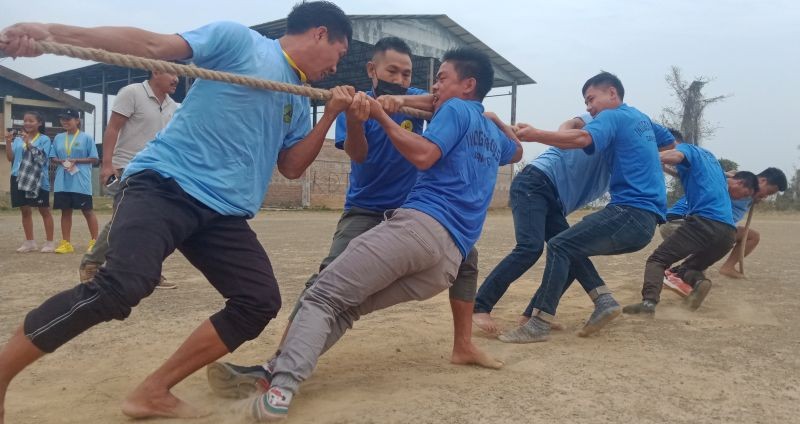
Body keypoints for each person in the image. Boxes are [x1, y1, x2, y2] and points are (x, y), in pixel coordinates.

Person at [0, 2, 355, 421]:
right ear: (320, 34)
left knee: (257, 301)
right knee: (122, 286)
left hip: (222, 213)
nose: (337, 68)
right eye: (341, 53)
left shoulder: (297, 99)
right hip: (165, 185)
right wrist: (49, 32)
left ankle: (153, 390)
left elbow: (292, 168)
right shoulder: (242, 42)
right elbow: (151, 44)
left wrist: (329, 115)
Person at [206, 38, 502, 401]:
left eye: (406, 73)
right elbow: (359, 155)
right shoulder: (355, 102)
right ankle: (277, 364)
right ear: (372, 70)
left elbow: (439, 103)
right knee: (329, 279)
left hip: (415, 209)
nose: (400, 77)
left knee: (467, 260)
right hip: (367, 207)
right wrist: (357, 115)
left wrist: (401, 101)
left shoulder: (426, 98)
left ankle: (463, 345)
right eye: (392, 71)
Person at [499, 71, 673, 343]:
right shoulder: (642, 119)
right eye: (586, 102)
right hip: (645, 222)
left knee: (558, 245)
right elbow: (670, 143)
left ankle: (538, 325)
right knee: (570, 246)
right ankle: (603, 300)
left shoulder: (612, 116)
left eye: (591, 99)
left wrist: (535, 134)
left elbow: (581, 139)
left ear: (612, 93)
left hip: (629, 212)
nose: (589, 107)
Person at [623, 140, 759, 315]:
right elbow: (680, 171)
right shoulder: (711, 162)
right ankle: (699, 283)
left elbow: (675, 156)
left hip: (704, 223)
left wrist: (643, 156)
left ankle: (649, 304)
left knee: (657, 260)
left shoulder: (685, 149)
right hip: (728, 234)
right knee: (689, 268)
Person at [79, 70, 179, 288]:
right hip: (128, 167)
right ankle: (92, 263)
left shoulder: (175, 106)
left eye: (179, 73)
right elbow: (113, 128)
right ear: (155, 71)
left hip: (158, 171)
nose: (176, 78)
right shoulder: (132, 92)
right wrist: (107, 164)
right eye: (171, 73)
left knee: (156, 223)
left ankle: (150, 271)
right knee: (125, 218)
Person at [717, 167, 787, 278]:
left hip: (728, 228)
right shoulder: (741, 181)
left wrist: (756, 198)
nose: (766, 196)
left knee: (752, 236)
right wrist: (727, 175)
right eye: (768, 192)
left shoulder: (755, 195)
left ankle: (728, 267)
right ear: (762, 181)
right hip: (713, 224)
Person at [49, 109, 99, 254]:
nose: (65, 122)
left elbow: (95, 159)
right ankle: (66, 243)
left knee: (87, 211)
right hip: (62, 181)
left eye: (68, 119)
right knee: (65, 211)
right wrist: (62, 161)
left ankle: (95, 241)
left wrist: (76, 160)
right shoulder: (58, 138)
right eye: (62, 119)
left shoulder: (86, 138)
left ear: (77, 120)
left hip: (80, 181)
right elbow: (52, 158)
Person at [4, 111, 55, 252]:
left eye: (31, 121)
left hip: (37, 178)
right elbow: (11, 158)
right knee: (24, 210)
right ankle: (29, 242)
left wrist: (29, 143)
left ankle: (50, 242)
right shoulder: (18, 139)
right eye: (25, 120)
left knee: (44, 209)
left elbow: (42, 159)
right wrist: (8, 141)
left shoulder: (44, 139)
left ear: (39, 123)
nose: (27, 123)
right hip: (18, 176)